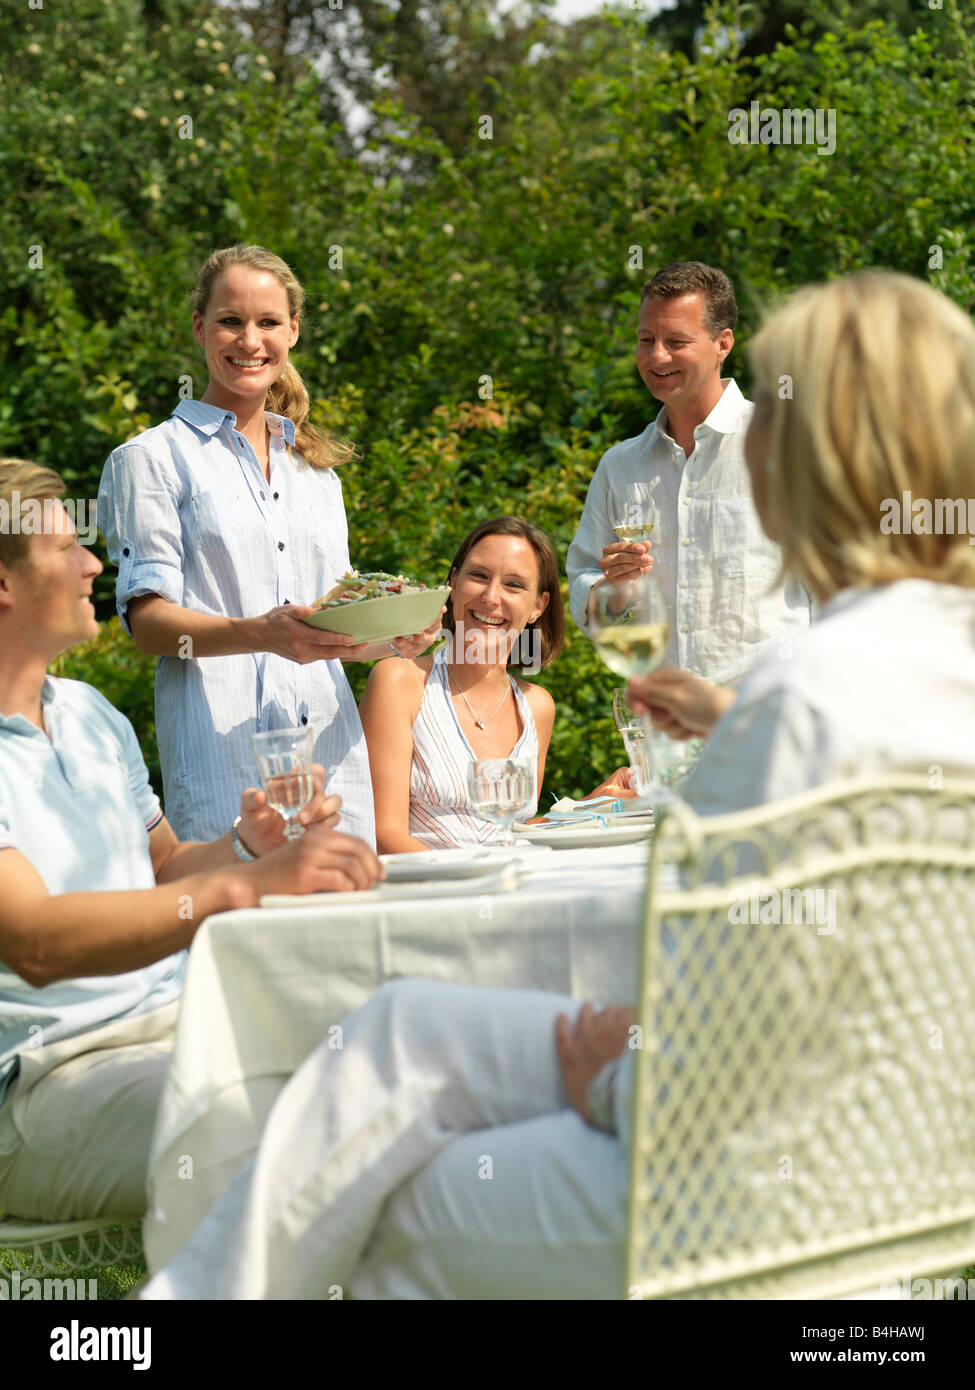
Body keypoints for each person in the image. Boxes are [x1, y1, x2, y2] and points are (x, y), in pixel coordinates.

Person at [141, 269, 975, 1299]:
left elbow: (749, 1025)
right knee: (405, 1032)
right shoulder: (929, 664)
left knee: (393, 1177)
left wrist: (614, 1081)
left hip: (755, 1189)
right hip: (920, 1170)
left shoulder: (805, 693)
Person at [0, 458, 381, 1222]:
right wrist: (242, 888)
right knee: (277, 1139)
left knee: (377, 1062)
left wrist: (247, 848)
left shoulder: (88, 713)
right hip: (44, 1079)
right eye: (67, 547)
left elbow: (166, 865)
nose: (93, 564)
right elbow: (36, 944)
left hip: (177, 1022)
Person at [97, 245, 440, 850]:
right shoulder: (149, 460)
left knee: (346, 940)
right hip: (225, 766)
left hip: (332, 765)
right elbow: (148, 625)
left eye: (268, 322)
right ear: (200, 328)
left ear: (294, 332)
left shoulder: (318, 475)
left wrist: (395, 639)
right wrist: (261, 633)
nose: (249, 340)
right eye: (230, 320)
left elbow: (330, 628)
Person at [566, 260, 811, 687]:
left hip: (769, 720)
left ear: (723, 344)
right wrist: (614, 590)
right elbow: (590, 600)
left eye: (676, 340)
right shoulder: (619, 466)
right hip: (664, 727)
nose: (656, 356)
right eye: (646, 339)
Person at [359, 517, 562, 852]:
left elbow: (516, 833)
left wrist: (594, 802)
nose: (491, 596)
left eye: (513, 585)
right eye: (479, 576)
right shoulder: (399, 681)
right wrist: (474, 886)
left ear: (537, 606)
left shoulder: (538, 706)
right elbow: (383, 835)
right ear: (453, 582)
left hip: (510, 889)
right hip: (429, 893)